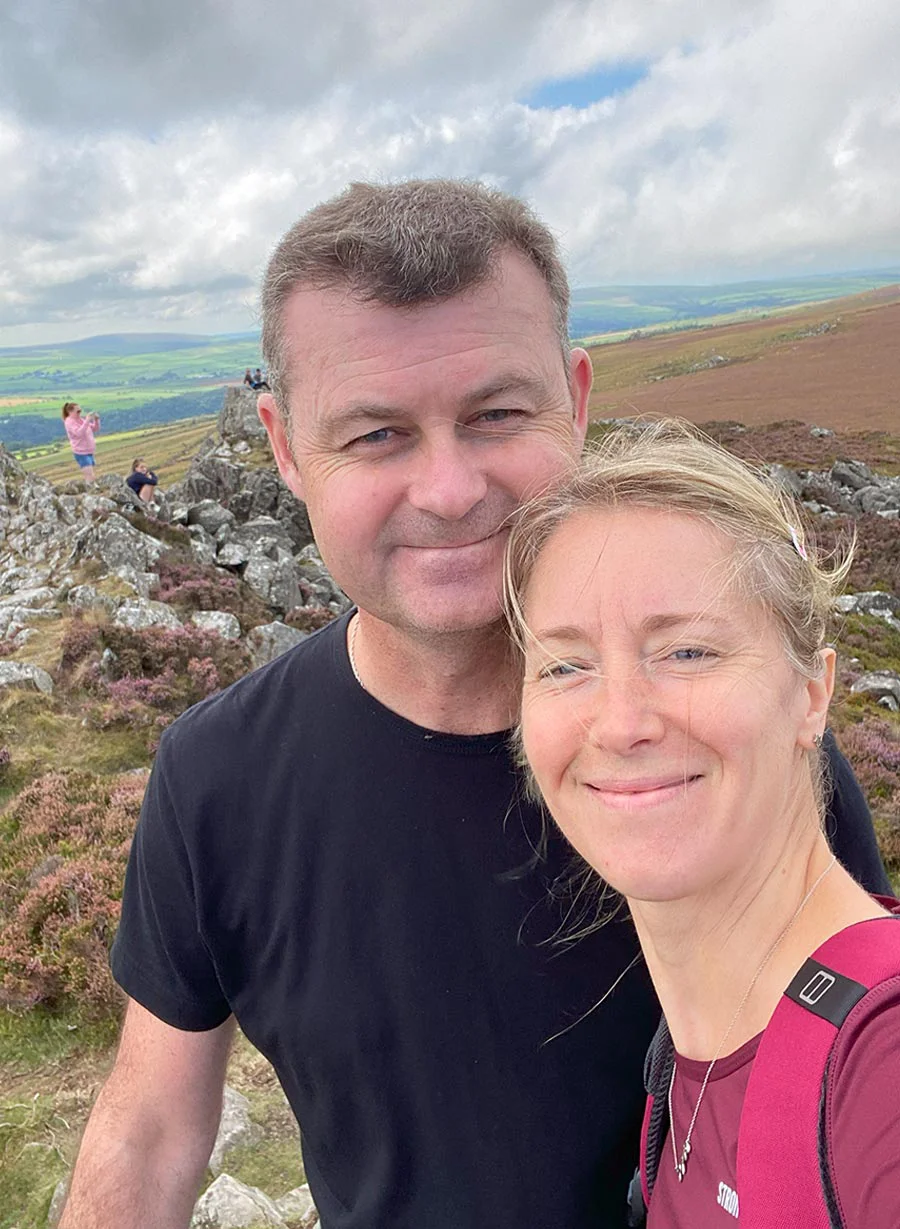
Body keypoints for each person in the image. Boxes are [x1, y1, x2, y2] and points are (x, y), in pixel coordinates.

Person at [58, 182, 890, 1229]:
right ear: (284, 447)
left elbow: (855, 1054)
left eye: (496, 415)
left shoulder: (720, 748)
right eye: (376, 434)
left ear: (576, 401)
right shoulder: (216, 778)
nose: (450, 490)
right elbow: (149, 1127)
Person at [507, 420, 900, 1228]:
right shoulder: (687, 1062)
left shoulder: (879, 1063)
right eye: (566, 664)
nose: (621, 723)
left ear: (812, 693)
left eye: (687, 651)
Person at [61, 401, 100, 481]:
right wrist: (87, 420)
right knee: (89, 475)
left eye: (80, 411)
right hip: (81, 452)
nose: (80, 413)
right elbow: (79, 433)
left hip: (89, 451)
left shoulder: (80, 420)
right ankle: (90, 487)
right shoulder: (69, 422)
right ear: (70, 412)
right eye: (78, 411)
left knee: (92, 474)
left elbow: (94, 429)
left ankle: (92, 486)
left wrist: (96, 420)